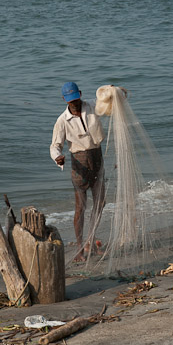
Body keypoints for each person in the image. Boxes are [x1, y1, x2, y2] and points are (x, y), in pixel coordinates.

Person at [50, 82, 105, 262]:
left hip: (97, 158)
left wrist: (114, 91)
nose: (74, 104)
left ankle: (91, 240)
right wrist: (58, 157)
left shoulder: (92, 106)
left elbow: (109, 102)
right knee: (80, 208)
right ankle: (81, 248)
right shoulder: (62, 121)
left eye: (76, 99)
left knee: (100, 203)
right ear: (64, 101)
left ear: (80, 94)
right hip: (78, 164)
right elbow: (55, 145)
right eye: (70, 101)